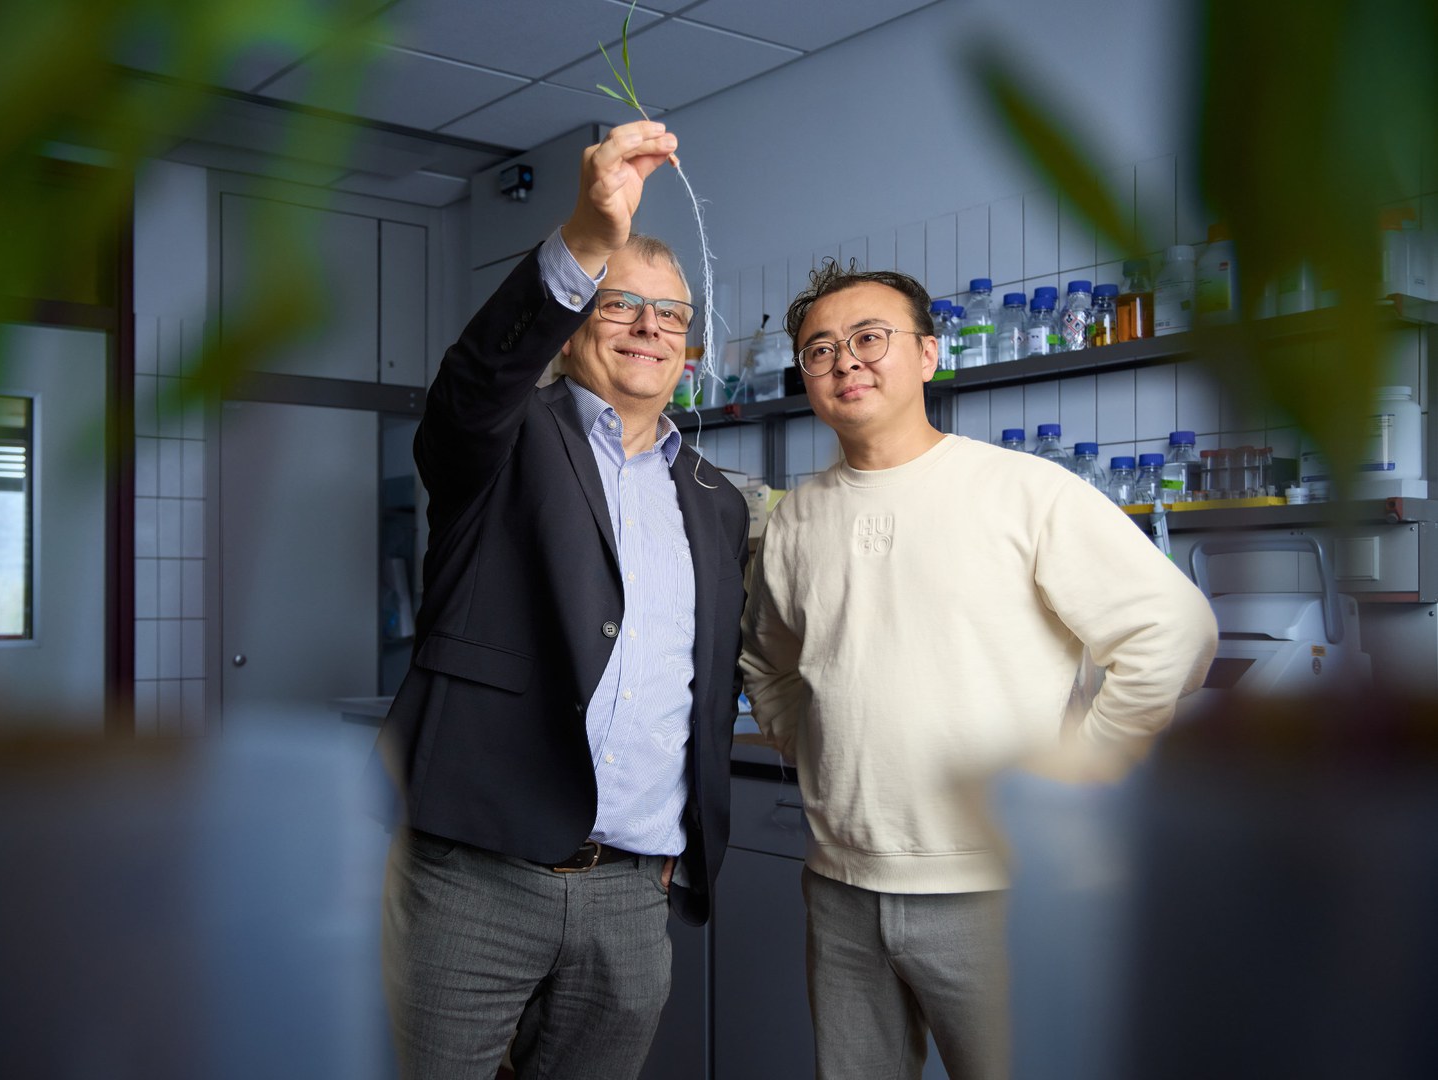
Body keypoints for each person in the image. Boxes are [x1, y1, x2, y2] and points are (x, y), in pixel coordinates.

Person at [739, 259, 1218, 1079]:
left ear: (928, 355)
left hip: (1000, 891)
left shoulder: (1021, 491)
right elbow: (767, 659)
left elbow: (1173, 631)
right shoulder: (794, 520)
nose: (845, 361)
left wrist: (1083, 769)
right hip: (840, 887)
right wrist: (807, 745)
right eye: (820, 350)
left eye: (869, 338)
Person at [375, 120, 750, 1080]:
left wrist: (686, 844)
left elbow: (698, 685)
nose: (646, 331)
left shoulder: (712, 501)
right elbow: (474, 384)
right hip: (478, 872)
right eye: (620, 305)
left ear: (691, 352)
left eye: (670, 317)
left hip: (632, 892)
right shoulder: (502, 441)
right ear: (578, 320)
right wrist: (586, 234)